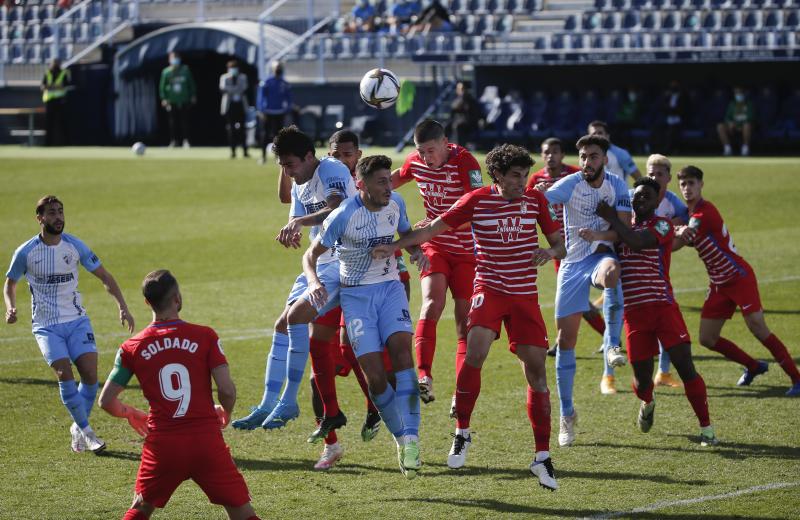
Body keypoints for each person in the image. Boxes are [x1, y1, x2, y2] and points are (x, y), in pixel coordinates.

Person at [375, 144, 565, 490]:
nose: (522, 182)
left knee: (537, 372)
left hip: (525, 297)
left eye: (525, 175)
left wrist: (549, 251)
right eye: (515, 176)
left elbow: (559, 244)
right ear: (498, 176)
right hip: (489, 290)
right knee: (474, 353)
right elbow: (432, 228)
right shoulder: (477, 200)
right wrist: (396, 245)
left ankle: (541, 457)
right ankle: (462, 431)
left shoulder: (536, 201)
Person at [98, 270, 260, 520]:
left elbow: (106, 401)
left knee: (141, 507)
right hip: (206, 441)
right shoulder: (205, 336)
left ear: (147, 302)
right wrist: (224, 411)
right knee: (241, 511)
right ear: (177, 298)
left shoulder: (132, 347)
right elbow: (227, 390)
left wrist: (130, 413)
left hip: (163, 445)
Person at [231, 126, 357, 434]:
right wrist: (292, 228)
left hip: (347, 261)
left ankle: (288, 401)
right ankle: (266, 403)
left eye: (290, 165)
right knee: (281, 324)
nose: (287, 172)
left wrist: (299, 222)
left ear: (309, 157)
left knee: (298, 318)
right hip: (319, 261)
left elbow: (337, 206)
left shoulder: (331, 168)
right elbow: (295, 214)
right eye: (282, 166)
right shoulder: (300, 181)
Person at [305, 155, 425, 478]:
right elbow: (310, 255)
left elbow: (407, 233)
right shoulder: (344, 215)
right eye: (381, 181)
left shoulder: (396, 202)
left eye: (389, 179)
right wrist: (315, 282)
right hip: (356, 297)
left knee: (402, 353)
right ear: (362, 184)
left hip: (390, 289)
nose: (389, 186)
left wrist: (416, 253)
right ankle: (401, 439)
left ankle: (412, 438)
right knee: (375, 377)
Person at [586, 178, 719, 446]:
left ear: (658, 200)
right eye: (636, 196)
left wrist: (611, 216)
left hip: (663, 307)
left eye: (647, 195)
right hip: (634, 314)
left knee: (686, 367)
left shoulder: (663, 224)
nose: (641, 199)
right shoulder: (621, 229)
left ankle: (707, 429)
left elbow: (637, 242)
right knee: (642, 379)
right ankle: (647, 402)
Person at [4, 195, 135, 454]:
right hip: (46, 325)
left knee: (90, 375)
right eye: (52, 213)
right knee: (65, 374)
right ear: (40, 218)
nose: (58, 217)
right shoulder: (26, 252)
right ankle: (87, 431)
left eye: (61, 212)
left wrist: (122, 305)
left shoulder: (75, 246)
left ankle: (78, 427)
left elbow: (104, 276)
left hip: (76, 321)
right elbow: (10, 283)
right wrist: (10, 307)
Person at [675, 166, 800, 396]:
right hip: (719, 283)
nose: (687, 188)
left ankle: (796, 377)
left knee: (757, 327)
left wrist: (660, 238)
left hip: (738, 277)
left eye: (691, 183)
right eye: (683, 184)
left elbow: (683, 239)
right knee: (707, 338)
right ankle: (754, 366)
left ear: (701, 184)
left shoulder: (704, 212)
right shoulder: (688, 213)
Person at [545, 135, 631, 445]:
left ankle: (613, 344)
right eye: (582, 156)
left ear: (604, 159)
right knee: (565, 340)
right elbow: (547, 199)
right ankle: (566, 415)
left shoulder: (617, 186)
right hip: (571, 265)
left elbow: (622, 230)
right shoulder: (571, 183)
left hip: (599, 257)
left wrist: (598, 233)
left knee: (612, 273)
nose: (586, 162)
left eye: (593, 156)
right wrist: (538, 193)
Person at [392, 119, 483, 407]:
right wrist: (358, 184)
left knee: (463, 322)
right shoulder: (415, 162)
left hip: (467, 250)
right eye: (420, 151)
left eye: (431, 150)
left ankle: (460, 391)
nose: (425, 157)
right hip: (436, 246)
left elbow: (475, 206)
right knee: (431, 302)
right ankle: (424, 377)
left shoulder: (465, 162)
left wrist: (435, 223)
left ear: (446, 143)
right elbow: (393, 178)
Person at [528, 138, 606, 356]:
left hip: (584, 244)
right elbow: (528, 208)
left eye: (555, 151)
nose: (551, 156)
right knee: (574, 297)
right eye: (546, 152)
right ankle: (609, 334)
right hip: (560, 248)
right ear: (542, 156)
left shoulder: (576, 175)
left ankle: (605, 335)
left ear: (562, 154)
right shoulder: (536, 179)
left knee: (574, 296)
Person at [643, 154, 688, 389]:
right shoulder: (635, 197)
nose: (654, 177)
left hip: (659, 267)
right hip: (635, 267)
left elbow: (685, 219)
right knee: (616, 312)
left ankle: (663, 372)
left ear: (669, 178)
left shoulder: (672, 203)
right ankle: (608, 373)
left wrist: (675, 232)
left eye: (659, 174)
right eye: (651, 173)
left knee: (663, 318)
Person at [256, 61, 292, 164]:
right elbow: (261, 97)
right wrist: (262, 110)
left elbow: (289, 98)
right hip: (268, 112)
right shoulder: (267, 82)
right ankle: (263, 157)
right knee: (265, 134)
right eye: (277, 67)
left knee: (279, 136)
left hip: (280, 112)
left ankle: (279, 157)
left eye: (279, 67)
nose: (278, 69)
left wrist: (287, 108)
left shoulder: (284, 83)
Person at [159, 51, 196, 148]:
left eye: (176, 58)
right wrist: (164, 98)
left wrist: (192, 95)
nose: (175, 60)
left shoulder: (185, 69)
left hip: (184, 99)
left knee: (185, 121)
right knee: (172, 122)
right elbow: (162, 87)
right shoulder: (166, 72)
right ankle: (173, 141)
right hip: (171, 100)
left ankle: (186, 140)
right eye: (173, 58)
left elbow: (191, 84)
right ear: (169, 60)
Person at [219, 60, 249, 159]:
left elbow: (244, 87)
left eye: (235, 68)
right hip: (230, 106)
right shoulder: (224, 77)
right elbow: (223, 88)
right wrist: (236, 88)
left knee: (242, 129)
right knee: (231, 129)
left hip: (240, 105)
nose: (234, 70)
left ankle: (245, 151)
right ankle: (233, 151)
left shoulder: (243, 77)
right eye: (232, 68)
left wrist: (232, 88)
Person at [41, 58, 71, 146]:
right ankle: (48, 144)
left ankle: (66, 143)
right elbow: (43, 86)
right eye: (54, 63)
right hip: (49, 101)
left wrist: (51, 87)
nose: (55, 64)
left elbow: (65, 85)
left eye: (57, 63)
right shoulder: (47, 73)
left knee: (63, 123)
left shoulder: (64, 73)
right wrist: (55, 86)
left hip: (60, 101)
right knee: (48, 123)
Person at [717, 86, 754, 157]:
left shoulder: (749, 104)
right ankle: (727, 149)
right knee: (720, 126)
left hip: (744, 128)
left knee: (747, 125)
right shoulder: (732, 104)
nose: (738, 95)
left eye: (740, 93)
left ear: (744, 94)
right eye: (736, 93)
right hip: (733, 128)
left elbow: (751, 118)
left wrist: (739, 124)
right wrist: (730, 122)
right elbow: (727, 117)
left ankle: (745, 148)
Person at [448, 82, 481, 149]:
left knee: (458, 126)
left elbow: (473, 115)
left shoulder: (470, 100)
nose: (460, 91)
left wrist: (463, 99)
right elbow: (453, 108)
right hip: (458, 122)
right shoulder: (457, 100)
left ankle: (459, 149)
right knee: (446, 126)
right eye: (459, 89)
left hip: (469, 124)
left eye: (462, 89)